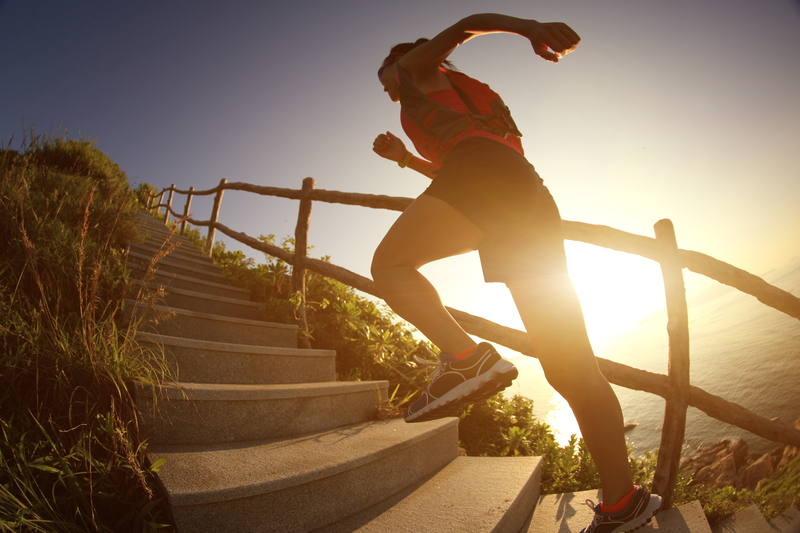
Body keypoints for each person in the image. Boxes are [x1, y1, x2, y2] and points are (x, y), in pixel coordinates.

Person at [370, 13, 661, 533]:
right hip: (522, 192)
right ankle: (624, 502)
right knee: (570, 367)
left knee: (389, 266)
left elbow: (466, 24)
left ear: (401, 63)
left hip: (482, 178)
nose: (389, 90)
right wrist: (403, 160)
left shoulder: (414, 67)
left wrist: (528, 28)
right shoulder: (461, 95)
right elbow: (459, 163)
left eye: (384, 78)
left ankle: (466, 358)